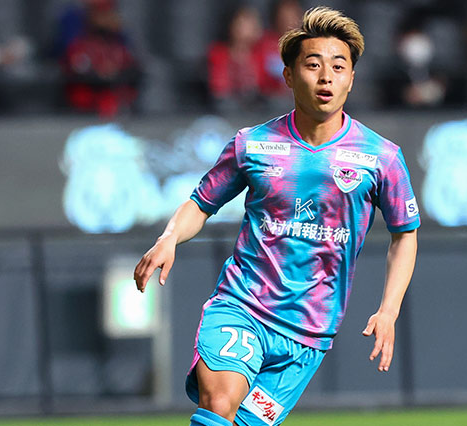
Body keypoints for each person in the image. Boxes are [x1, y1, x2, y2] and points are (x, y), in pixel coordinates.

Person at [134, 7, 420, 426]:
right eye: (313, 65)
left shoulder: (382, 157)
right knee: (219, 405)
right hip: (243, 307)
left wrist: (389, 310)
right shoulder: (253, 144)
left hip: (309, 334)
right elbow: (201, 202)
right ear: (288, 75)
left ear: (352, 79)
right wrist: (169, 238)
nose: (326, 77)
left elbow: (404, 234)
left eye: (338, 67)